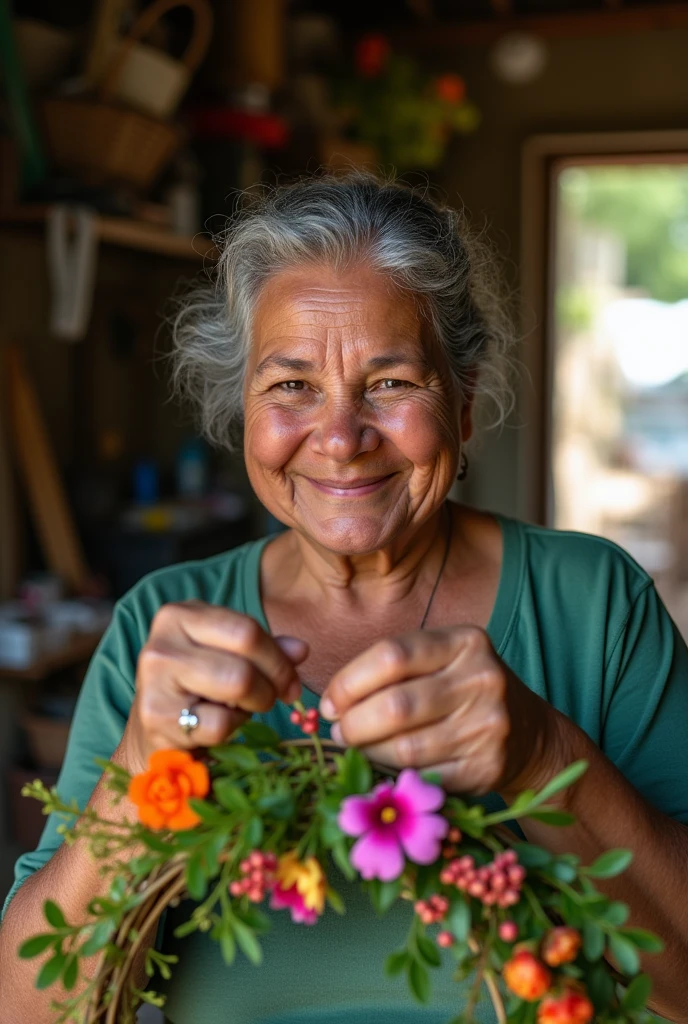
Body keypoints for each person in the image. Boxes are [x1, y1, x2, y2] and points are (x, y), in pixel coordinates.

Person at [1, 172, 687, 1024]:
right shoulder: (162, 627)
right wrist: (140, 775)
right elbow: (28, 1007)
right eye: (290, 386)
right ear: (241, 412)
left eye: (391, 384)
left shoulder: (595, 605)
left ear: (465, 405)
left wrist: (543, 757)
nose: (339, 438)